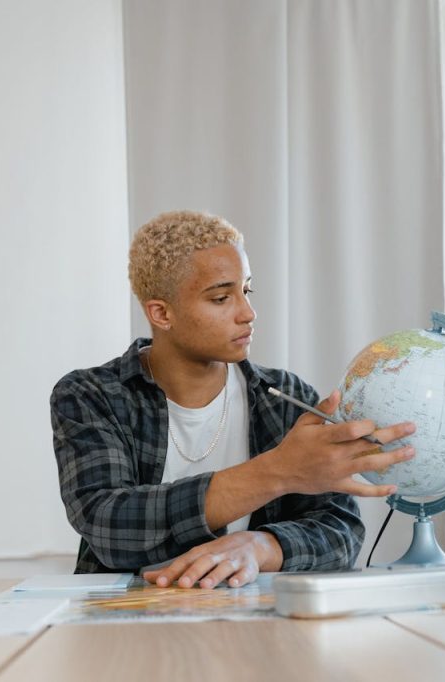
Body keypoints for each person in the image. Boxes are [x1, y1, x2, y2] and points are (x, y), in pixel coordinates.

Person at [50, 210, 415, 589]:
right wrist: (277, 471)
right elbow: (108, 524)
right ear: (161, 313)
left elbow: (341, 530)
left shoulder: (287, 400)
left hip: (254, 623)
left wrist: (261, 546)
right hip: (125, 628)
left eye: (247, 290)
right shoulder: (90, 395)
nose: (248, 313)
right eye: (222, 297)